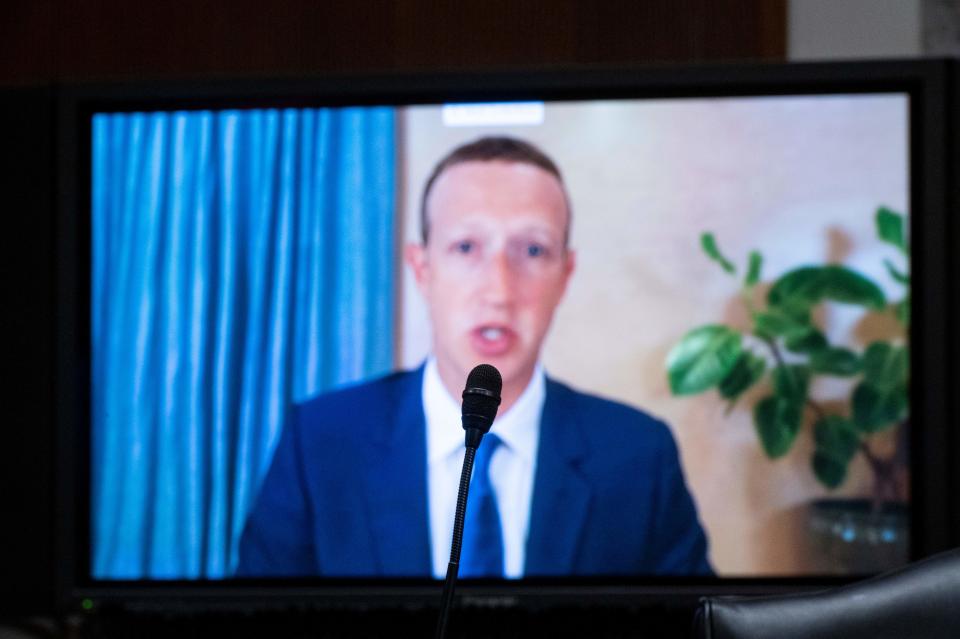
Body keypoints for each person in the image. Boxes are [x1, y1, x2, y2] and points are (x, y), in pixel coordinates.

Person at [236, 136, 712, 578]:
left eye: (532, 249)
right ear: (422, 269)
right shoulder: (320, 442)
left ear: (565, 275)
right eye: (466, 247)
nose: (499, 290)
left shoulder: (637, 455)